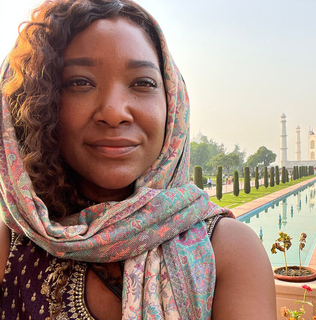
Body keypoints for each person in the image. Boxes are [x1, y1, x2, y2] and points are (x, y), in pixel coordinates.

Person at [0, 1, 276, 319]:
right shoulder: (14, 243)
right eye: (80, 82)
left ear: (173, 105)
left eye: (142, 83)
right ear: (38, 105)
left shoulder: (226, 250)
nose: (115, 112)